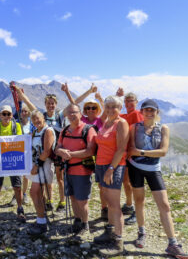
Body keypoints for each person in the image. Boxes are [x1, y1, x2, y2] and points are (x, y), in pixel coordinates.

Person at [127, 99, 188, 259]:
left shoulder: (163, 128)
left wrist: (141, 152)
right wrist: (141, 153)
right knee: (139, 201)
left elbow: (163, 151)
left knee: (164, 205)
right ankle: (141, 232)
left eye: (152, 110)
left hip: (153, 169)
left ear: (157, 112)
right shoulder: (134, 127)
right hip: (135, 168)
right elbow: (130, 149)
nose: (149, 113)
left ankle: (172, 243)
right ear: (141, 112)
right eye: (146, 110)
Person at [62, 82, 108, 220]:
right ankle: (82, 215)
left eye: (93, 108)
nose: (90, 110)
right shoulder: (83, 119)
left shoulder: (100, 121)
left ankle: (104, 208)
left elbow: (108, 110)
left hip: (99, 155)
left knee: (101, 186)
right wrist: (67, 92)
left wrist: (100, 98)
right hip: (88, 158)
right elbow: (73, 106)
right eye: (88, 108)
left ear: (97, 109)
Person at [93, 96, 129, 256]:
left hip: (113, 167)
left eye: (114, 107)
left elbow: (121, 149)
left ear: (120, 108)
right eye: (107, 106)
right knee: (107, 201)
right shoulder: (106, 122)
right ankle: (109, 231)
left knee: (114, 204)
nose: (110, 109)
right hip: (101, 165)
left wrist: (111, 169)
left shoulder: (121, 123)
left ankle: (118, 241)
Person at [55, 104, 97, 242]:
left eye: (75, 112)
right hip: (68, 170)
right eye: (69, 113)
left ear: (80, 114)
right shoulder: (65, 130)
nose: (72, 115)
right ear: (66, 115)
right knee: (72, 197)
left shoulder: (88, 130)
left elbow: (90, 151)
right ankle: (77, 221)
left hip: (82, 171)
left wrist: (70, 154)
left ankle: (85, 225)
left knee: (82, 200)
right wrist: (60, 152)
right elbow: (57, 148)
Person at [0, 105, 26, 224]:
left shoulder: (17, 126)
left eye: (8, 114)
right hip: (0, 162)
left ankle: (20, 210)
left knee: (17, 186)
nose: (6, 116)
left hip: (14, 160)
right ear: (0, 115)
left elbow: (21, 143)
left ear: (11, 115)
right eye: (3, 114)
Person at [116, 88, 145, 225]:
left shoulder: (137, 114)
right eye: (126, 101)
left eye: (131, 101)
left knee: (134, 183)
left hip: (133, 154)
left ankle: (135, 212)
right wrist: (117, 97)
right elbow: (113, 112)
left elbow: (140, 133)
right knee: (126, 181)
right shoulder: (125, 116)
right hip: (126, 154)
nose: (128, 103)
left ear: (136, 102)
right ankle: (129, 205)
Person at [26, 110, 55, 235]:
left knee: (34, 192)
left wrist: (37, 165)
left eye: (38, 118)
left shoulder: (48, 131)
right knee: (39, 193)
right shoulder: (35, 132)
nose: (36, 121)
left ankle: (42, 222)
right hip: (37, 165)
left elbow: (47, 151)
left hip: (44, 165)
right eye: (34, 120)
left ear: (43, 118)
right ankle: (42, 219)